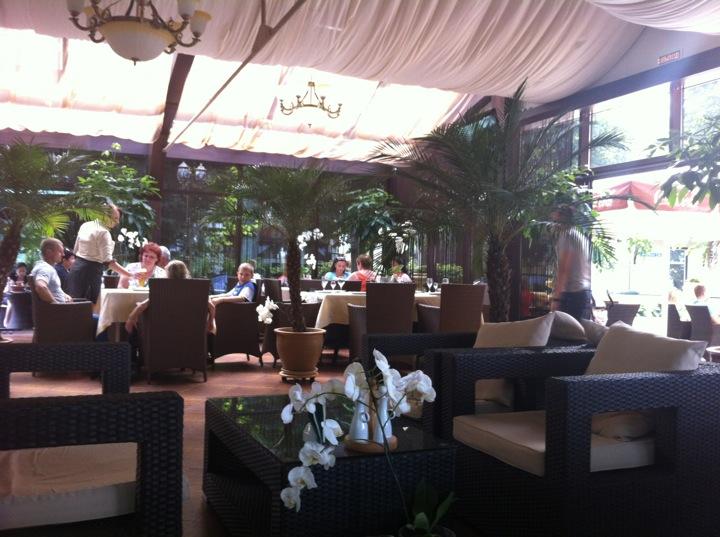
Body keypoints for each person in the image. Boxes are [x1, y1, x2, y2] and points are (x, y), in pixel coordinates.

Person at [69, 204, 138, 303]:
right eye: (115, 218)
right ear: (104, 215)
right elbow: (108, 262)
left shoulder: (86, 225)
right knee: (87, 307)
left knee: (73, 304)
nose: (117, 222)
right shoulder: (104, 232)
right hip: (91, 272)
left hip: (76, 269)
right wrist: (130, 275)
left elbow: (75, 250)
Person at [125, 260, 215, 334]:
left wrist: (130, 319)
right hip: (191, 333)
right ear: (186, 272)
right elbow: (211, 307)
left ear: (167, 273)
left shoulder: (163, 289)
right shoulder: (195, 289)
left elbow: (142, 306)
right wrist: (211, 321)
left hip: (162, 333)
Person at [550, 208, 592, 320]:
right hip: (582, 291)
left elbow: (564, 269)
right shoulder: (580, 236)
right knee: (575, 328)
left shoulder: (566, 236)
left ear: (561, 218)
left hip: (571, 294)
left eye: (555, 219)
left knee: (563, 329)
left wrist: (556, 299)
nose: (553, 223)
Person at [31, 238, 73, 304]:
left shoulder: (45, 266)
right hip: (60, 309)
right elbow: (40, 287)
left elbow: (53, 289)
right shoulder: (45, 268)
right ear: (49, 252)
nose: (63, 254)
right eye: (60, 252)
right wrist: (56, 304)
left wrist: (64, 295)